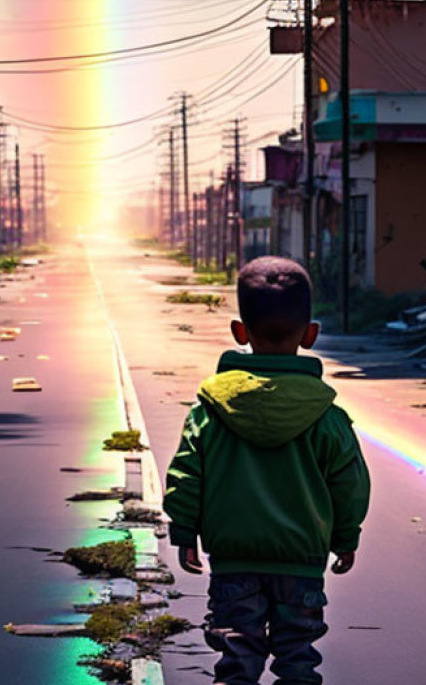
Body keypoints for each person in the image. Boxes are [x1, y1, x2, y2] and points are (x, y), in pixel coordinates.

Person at [164, 256, 371, 685]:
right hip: (302, 563)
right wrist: (345, 537)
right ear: (310, 335)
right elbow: (350, 484)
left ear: (240, 333)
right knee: (298, 660)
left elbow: (186, 474)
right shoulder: (327, 417)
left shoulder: (211, 411)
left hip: (233, 562)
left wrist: (184, 533)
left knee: (237, 660)